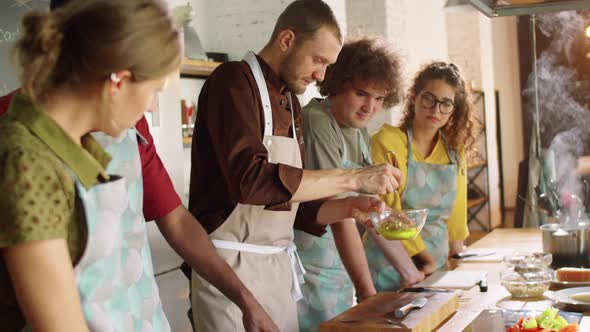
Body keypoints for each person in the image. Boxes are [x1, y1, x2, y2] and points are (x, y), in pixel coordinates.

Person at [0, 1, 276, 331]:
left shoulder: (79, 140)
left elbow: (172, 220)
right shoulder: (27, 160)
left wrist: (244, 298)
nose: (152, 106)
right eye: (154, 91)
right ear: (118, 81)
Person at [188, 1, 402, 331]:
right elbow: (252, 181)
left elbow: (292, 209)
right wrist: (353, 179)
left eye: (328, 65)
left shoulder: (290, 103)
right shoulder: (231, 82)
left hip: (277, 274)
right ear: (287, 39)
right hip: (228, 273)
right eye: (318, 60)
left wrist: (347, 208)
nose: (321, 75)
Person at [293, 38, 426, 331]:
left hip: (340, 264)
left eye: (379, 98)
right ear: (337, 83)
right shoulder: (319, 121)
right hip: (312, 266)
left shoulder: (358, 129)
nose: (370, 107)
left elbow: (369, 212)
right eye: (361, 94)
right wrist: (369, 297)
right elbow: (341, 213)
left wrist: (411, 273)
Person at [367, 61, 476, 291]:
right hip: (392, 266)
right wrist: (425, 261)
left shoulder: (455, 152)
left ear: (454, 109)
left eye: (446, 104)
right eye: (429, 99)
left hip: (437, 271)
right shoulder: (387, 142)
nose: (436, 110)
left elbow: (456, 218)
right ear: (414, 96)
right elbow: (389, 216)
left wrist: (457, 260)